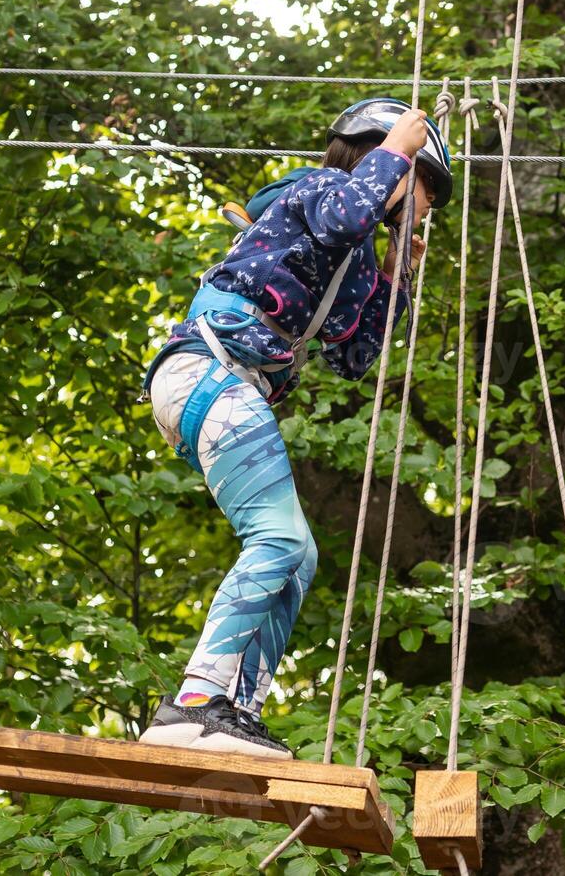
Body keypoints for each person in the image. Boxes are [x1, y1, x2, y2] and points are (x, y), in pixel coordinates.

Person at [138, 99, 452, 758]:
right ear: (390, 161)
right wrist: (398, 149)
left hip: (224, 386)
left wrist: (396, 275)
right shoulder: (321, 191)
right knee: (277, 538)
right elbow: (348, 211)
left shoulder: (355, 254)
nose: (427, 211)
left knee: (297, 554)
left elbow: (351, 357)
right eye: (427, 191)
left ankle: (234, 708)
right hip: (206, 369)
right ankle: (192, 704)